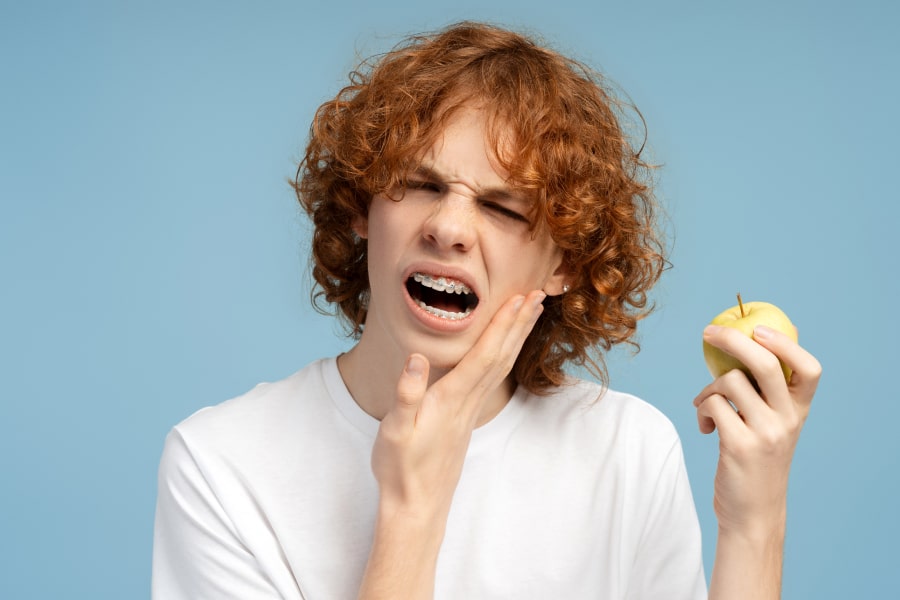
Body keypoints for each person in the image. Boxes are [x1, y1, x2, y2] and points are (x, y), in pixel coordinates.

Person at [152, 22, 821, 599]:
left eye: (503, 208)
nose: (449, 227)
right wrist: (412, 512)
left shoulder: (626, 452)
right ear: (361, 207)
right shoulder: (222, 465)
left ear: (564, 265)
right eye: (420, 184)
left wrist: (755, 521)